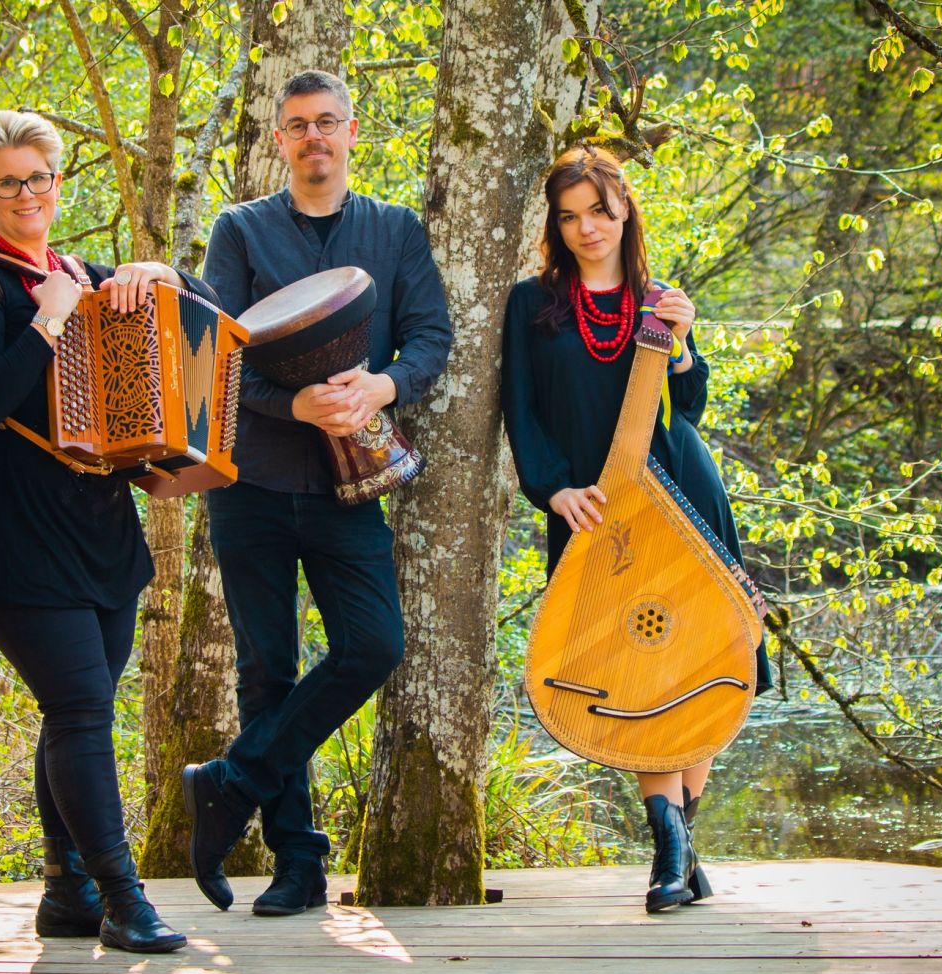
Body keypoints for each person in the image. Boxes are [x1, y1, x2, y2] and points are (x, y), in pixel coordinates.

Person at [183, 70, 453, 915]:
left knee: (372, 645)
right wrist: (290, 402)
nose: (313, 138)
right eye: (297, 125)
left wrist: (384, 386)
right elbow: (215, 354)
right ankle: (298, 864)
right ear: (278, 139)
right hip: (253, 482)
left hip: (352, 487)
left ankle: (230, 782)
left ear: (351, 131)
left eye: (327, 122)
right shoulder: (240, 231)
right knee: (267, 670)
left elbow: (431, 335)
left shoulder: (394, 229)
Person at [0, 109, 209, 953]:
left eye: (39, 177)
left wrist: (151, 267)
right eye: (8, 182)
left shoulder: (80, 271)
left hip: (100, 529)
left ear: (60, 184)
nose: (27, 193)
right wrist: (50, 315)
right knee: (82, 707)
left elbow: (197, 317)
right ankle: (123, 898)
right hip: (12, 534)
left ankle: (65, 889)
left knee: (73, 712)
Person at [500, 144, 772, 913]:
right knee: (629, 664)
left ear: (625, 212)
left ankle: (673, 845)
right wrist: (553, 491)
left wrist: (683, 347)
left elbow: (687, 411)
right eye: (570, 215)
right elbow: (519, 411)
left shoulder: (660, 298)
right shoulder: (532, 303)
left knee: (701, 658)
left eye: (600, 210)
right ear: (556, 225)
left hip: (682, 495)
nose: (587, 227)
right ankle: (677, 853)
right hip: (594, 510)